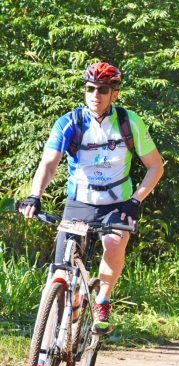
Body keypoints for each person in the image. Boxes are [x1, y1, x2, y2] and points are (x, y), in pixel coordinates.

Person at [18, 61, 164, 335]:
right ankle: (43, 350)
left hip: (117, 203)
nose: (95, 94)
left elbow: (156, 166)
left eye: (103, 89)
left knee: (113, 242)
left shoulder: (128, 123)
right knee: (60, 269)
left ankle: (102, 300)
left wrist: (136, 201)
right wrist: (34, 196)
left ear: (114, 94)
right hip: (79, 202)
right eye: (90, 88)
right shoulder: (69, 122)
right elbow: (49, 163)